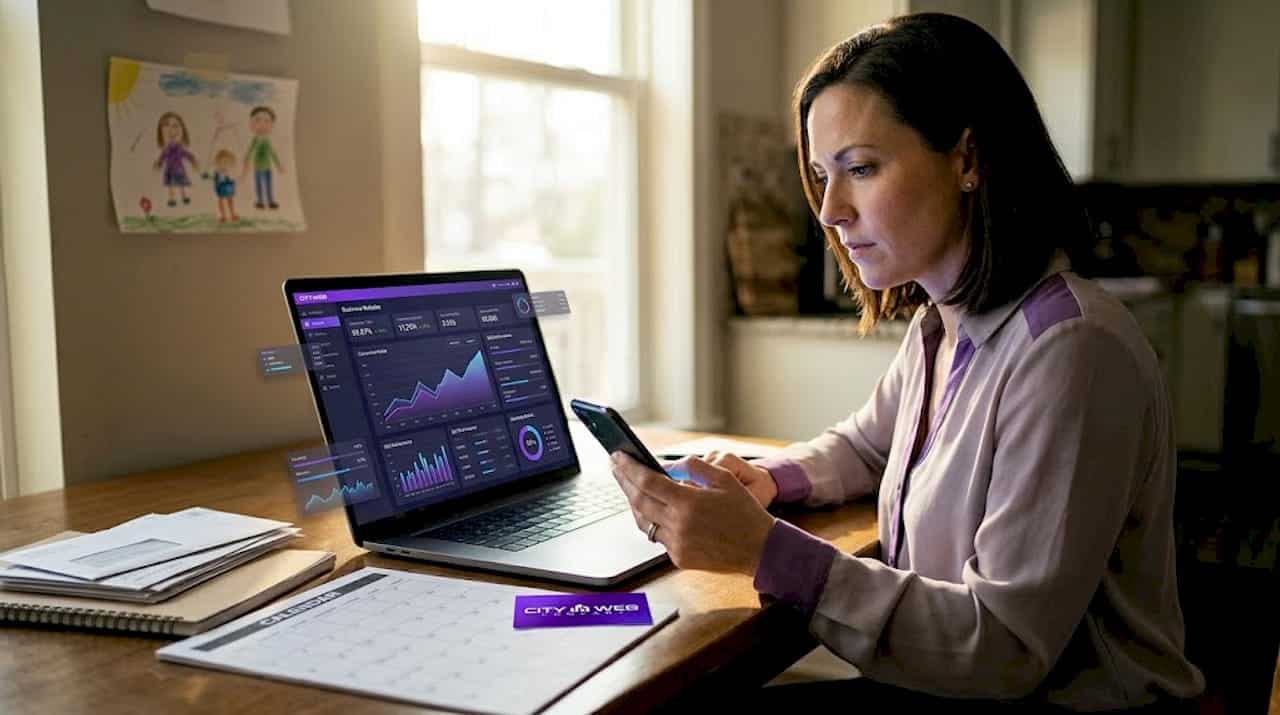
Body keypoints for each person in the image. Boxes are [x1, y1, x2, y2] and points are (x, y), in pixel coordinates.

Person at [610, 13, 1205, 712]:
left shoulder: (1069, 351)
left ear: (967, 159)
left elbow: (1003, 646)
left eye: (860, 168)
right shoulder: (939, 323)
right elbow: (868, 442)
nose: (830, 210)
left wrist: (765, 550)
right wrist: (766, 482)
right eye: (821, 176)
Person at [242, 105, 284, 210]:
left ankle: (270, 201)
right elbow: (250, 151)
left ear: (272, 125)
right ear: (251, 123)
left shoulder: (266, 140)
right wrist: (246, 161)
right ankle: (260, 201)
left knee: (268, 185)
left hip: (267, 167)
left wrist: (278, 165)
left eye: (267, 121)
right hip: (258, 167)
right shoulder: (255, 140)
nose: (262, 124)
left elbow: (272, 153)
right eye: (257, 120)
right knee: (259, 185)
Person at [153, 111, 197, 208]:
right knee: (171, 186)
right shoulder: (166, 150)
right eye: (166, 126)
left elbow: (186, 154)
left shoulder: (179, 148)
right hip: (170, 170)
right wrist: (158, 163)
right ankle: (172, 199)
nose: (171, 131)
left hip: (179, 169)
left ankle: (184, 196)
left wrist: (192, 159)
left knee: (181, 184)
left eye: (175, 126)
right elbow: (162, 157)